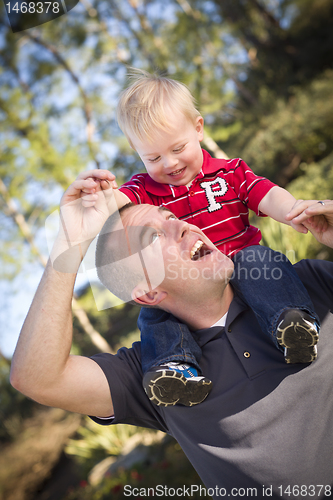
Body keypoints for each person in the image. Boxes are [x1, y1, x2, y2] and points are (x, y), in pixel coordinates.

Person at [10, 174, 333, 499]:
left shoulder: (305, 286)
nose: (183, 225)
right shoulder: (156, 375)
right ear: (147, 293)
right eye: (153, 237)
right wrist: (69, 245)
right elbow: (37, 377)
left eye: (172, 217)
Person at [105, 70, 325, 406]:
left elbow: (264, 194)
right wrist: (96, 201)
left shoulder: (229, 172)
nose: (170, 163)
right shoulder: (144, 192)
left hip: (245, 262)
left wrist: (293, 210)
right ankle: (174, 369)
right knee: (155, 311)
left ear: (198, 128)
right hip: (193, 285)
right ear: (138, 154)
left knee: (262, 261)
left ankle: (291, 323)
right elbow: (116, 207)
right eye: (152, 158)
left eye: (177, 148)